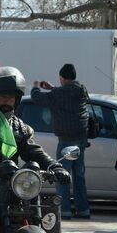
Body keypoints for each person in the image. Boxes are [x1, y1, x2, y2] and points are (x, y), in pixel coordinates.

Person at [30, 63, 90, 219]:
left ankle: (64, 211)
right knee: (79, 176)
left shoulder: (58, 94)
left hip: (66, 139)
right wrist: (54, 88)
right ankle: (83, 210)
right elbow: (65, 95)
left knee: (62, 175)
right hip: (81, 139)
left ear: (62, 78)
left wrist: (36, 86)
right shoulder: (82, 90)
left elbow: (37, 98)